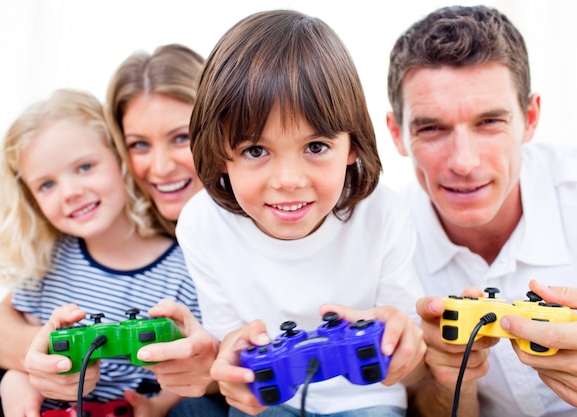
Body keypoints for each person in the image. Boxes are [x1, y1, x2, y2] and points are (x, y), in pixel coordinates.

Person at [177, 10, 426, 417]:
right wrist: (230, 363)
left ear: (353, 147)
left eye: (315, 147)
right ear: (220, 155)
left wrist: (402, 339)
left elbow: (405, 344)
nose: (289, 180)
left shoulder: (384, 213)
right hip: (271, 398)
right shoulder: (202, 223)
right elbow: (229, 345)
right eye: (256, 151)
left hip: (367, 399)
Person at [0, 44, 228, 417]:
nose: (160, 166)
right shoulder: (55, 258)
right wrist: (29, 371)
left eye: (181, 137)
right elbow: (1, 327)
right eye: (139, 144)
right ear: (124, 152)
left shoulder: (189, 260)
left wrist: (161, 402)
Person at [384, 5, 577, 417]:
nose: (464, 162)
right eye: (431, 128)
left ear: (530, 117)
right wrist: (450, 382)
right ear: (397, 134)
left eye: (489, 121)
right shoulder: (380, 246)